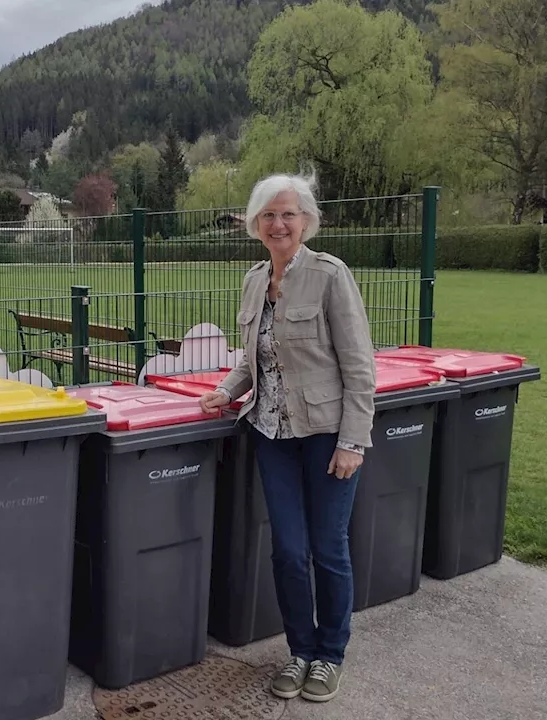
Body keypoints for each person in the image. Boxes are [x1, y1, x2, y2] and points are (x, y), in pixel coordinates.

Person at [199, 172, 376, 704]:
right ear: (256, 224)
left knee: (327, 549)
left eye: (289, 214)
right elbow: (254, 361)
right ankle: (300, 651)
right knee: (288, 550)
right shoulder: (255, 279)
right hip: (270, 433)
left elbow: (358, 365)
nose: (279, 224)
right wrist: (226, 390)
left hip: (326, 434)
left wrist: (353, 440)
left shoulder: (329, 275)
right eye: (269, 215)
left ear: (306, 221)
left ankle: (330, 656)